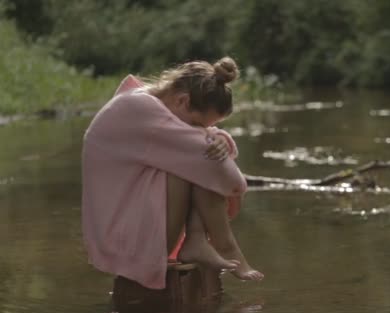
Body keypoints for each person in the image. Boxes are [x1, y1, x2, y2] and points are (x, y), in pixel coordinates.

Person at [82, 57, 263, 290]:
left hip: (126, 230)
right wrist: (212, 141)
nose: (198, 129)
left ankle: (197, 240)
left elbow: (200, 147)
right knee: (198, 161)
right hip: (128, 244)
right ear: (183, 101)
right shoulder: (143, 112)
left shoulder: (140, 100)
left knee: (194, 158)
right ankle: (225, 245)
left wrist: (214, 136)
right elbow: (233, 182)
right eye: (197, 123)